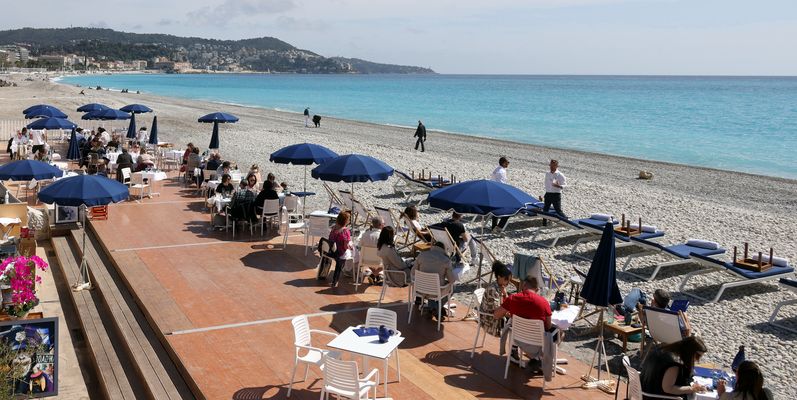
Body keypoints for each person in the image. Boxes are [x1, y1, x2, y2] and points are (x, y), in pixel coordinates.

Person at [494, 274, 552, 364]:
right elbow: (548, 326)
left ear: (524, 285)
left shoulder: (513, 298)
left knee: (511, 321)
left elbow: (496, 315)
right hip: (537, 343)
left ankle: (514, 350)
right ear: (536, 289)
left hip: (518, 339)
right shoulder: (544, 302)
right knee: (559, 332)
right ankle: (539, 358)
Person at [640, 336, 708, 399]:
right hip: (653, 396)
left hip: (643, 389)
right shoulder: (674, 364)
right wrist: (692, 389)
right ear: (690, 352)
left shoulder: (663, 348)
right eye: (697, 356)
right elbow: (668, 388)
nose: (698, 360)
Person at [414, 242, 455, 317]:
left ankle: (432, 307)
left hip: (420, 289)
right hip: (435, 292)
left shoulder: (422, 255)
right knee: (452, 287)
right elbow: (452, 280)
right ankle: (436, 308)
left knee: (431, 284)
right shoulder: (446, 260)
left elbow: (413, 272)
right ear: (443, 250)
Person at [479, 261, 514, 336]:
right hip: (489, 321)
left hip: (494, 315)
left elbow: (506, 303)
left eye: (509, 280)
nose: (508, 282)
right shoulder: (493, 290)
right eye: (506, 279)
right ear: (499, 276)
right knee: (515, 325)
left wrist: (505, 294)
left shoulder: (500, 286)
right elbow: (497, 312)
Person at [329, 211, 352, 287]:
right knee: (355, 253)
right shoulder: (345, 231)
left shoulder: (333, 227)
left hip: (332, 250)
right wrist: (350, 247)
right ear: (346, 221)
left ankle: (346, 269)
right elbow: (345, 246)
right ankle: (349, 271)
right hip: (340, 252)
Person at [358, 217, 384, 284]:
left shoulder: (365, 234)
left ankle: (374, 274)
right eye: (383, 224)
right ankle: (376, 273)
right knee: (390, 261)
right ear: (380, 225)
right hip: (379, 261)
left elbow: (359, 245)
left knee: (366, 255)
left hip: (365, 260)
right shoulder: (383, 236)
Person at [490, 156, 510, 231]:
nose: (508, 164)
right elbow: (501, 184)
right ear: (503, 163)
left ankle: (494, 226)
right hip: (499, 192)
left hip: (494, 191)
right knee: (507, 209)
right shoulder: (501, 172)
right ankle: (499, 227)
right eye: (507, 162)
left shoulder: (497, 169)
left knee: (495, 209)